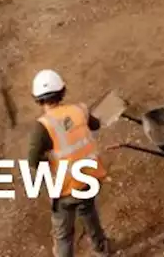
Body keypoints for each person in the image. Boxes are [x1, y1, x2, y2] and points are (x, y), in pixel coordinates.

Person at [28, 69, 111, 257]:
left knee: (63, 235)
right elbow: (95, 125)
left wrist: (49, 161)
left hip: (65, 188)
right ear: (62, 91)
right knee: (88, 212)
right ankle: (101, 248)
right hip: (88, 178)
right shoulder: (79, 110)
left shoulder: (42, 126)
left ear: (38, 99)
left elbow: (32, 160)